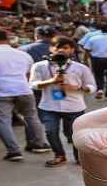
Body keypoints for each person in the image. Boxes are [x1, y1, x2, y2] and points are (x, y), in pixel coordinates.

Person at [0, 28, 52, 162]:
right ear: (7, 39)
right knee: (31, 117)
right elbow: (28, 74)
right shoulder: (23, 54)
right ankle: (39, 144)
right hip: (23, 89)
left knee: (3, 121)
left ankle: (14, 151)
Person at [30, 36, 95, 167]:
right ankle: (59, 155)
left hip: (74, 107)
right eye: (57, 47)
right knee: (50, 131)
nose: (60, 50)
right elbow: (32, 84)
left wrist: (76, 88)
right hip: (49, 105)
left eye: (65, 47)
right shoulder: (39, 66)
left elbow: (92, 87)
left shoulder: (80, 68)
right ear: (51, 48)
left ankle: (79, 158)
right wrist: (51, 81)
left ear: (71, 50)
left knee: (74, 135)